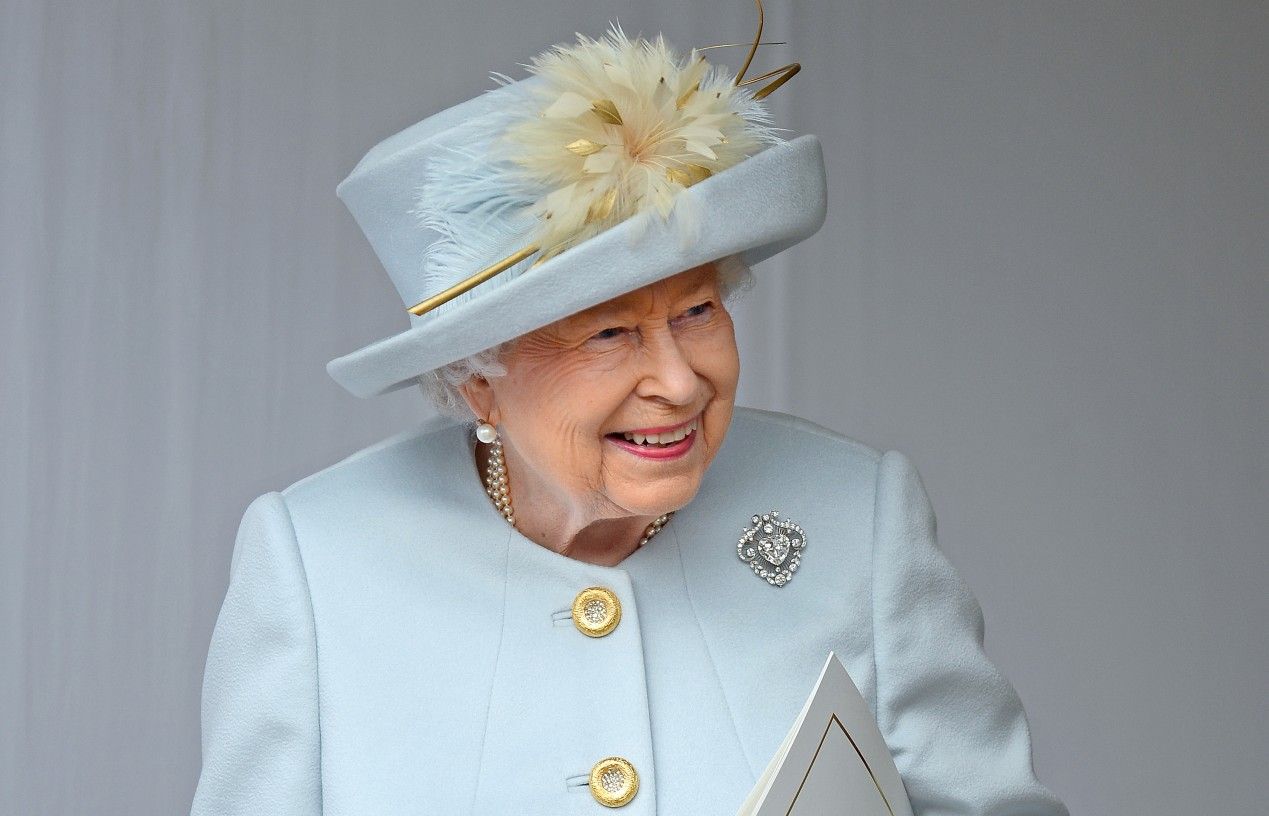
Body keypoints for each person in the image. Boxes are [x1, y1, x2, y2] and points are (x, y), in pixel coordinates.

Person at [191, 18, 1068, 816]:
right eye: (609, 333)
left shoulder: (855, 516)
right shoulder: (321, 563)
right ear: (476, 384)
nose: (679, 383)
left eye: (697, 312)